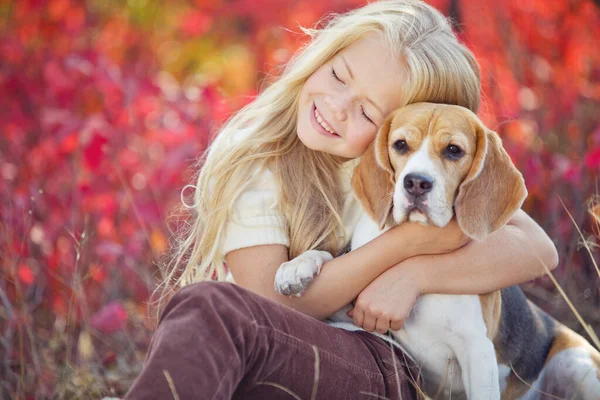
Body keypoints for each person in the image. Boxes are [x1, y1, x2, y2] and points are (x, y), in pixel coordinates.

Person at [125, 1, 558, 399]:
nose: (336, 107)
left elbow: (538, 249)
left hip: (385, 365)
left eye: (369, 113)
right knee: (210, 308)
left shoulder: (402, 169)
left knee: (210, 309)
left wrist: (414, 277)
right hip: (276, 352)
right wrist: (410, 244)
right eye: (337, 75)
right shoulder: (253, 153)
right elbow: (269, 304)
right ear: (323, 52)